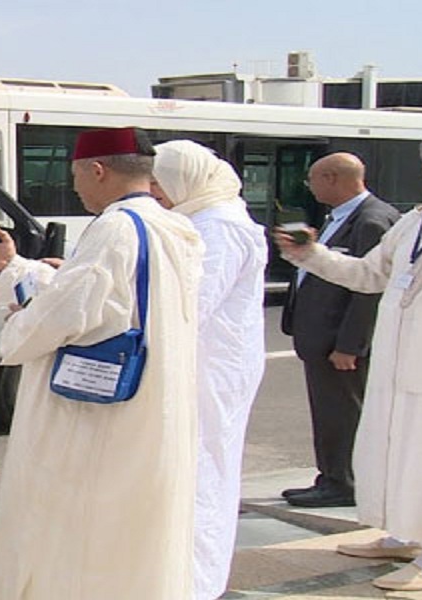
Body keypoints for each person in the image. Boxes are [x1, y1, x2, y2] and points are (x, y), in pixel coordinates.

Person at [0, 127, 204, 600]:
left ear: (97, 170)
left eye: (76, 176)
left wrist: (18, 325)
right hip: (151, 403)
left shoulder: (116, 227)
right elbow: (108, 300)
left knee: (78, 523)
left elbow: (64, 315)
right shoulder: (175, 225)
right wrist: (19, 268)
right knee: (129, 527)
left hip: (98, 414)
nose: (75, 188)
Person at [274, 129, 422, 592]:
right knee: (400, 451)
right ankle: (405, 534)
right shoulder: (417, 220)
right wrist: (310, 255)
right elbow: (368, 274)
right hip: (399, 363)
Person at [149, 140, 267, 600]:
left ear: (187, 178)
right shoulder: (201, 218)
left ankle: (195, 583)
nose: (155, 191)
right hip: (202, 362)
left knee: (202, 475)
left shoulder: (220, 225)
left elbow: (191, 301)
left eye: (161, 181)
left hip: (211, 369)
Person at [279, 152, 399, 509]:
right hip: (321, 338)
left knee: (342, 414)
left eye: (312, 179)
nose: (309, 187)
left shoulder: (372, 220)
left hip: (339, 344)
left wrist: (351, 344)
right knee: (330, 412)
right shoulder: (340, 217)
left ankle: (342, 482)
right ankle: (330, 476)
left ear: (331, 178)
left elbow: (369, 291)